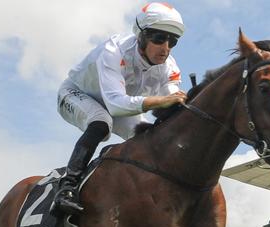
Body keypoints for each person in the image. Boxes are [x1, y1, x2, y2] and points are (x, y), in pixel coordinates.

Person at [51, 2, 188, 215]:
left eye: (173, 41)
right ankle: (66, 188)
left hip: (118, 104)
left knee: (147, 139)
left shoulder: (169, 67)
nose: (166, 48)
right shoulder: (114, 50)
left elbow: (173, 102)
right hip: (76, 94)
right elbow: (116, 105)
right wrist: (161, 101)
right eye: (159, 38)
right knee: (101, 123)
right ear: (141, 35)